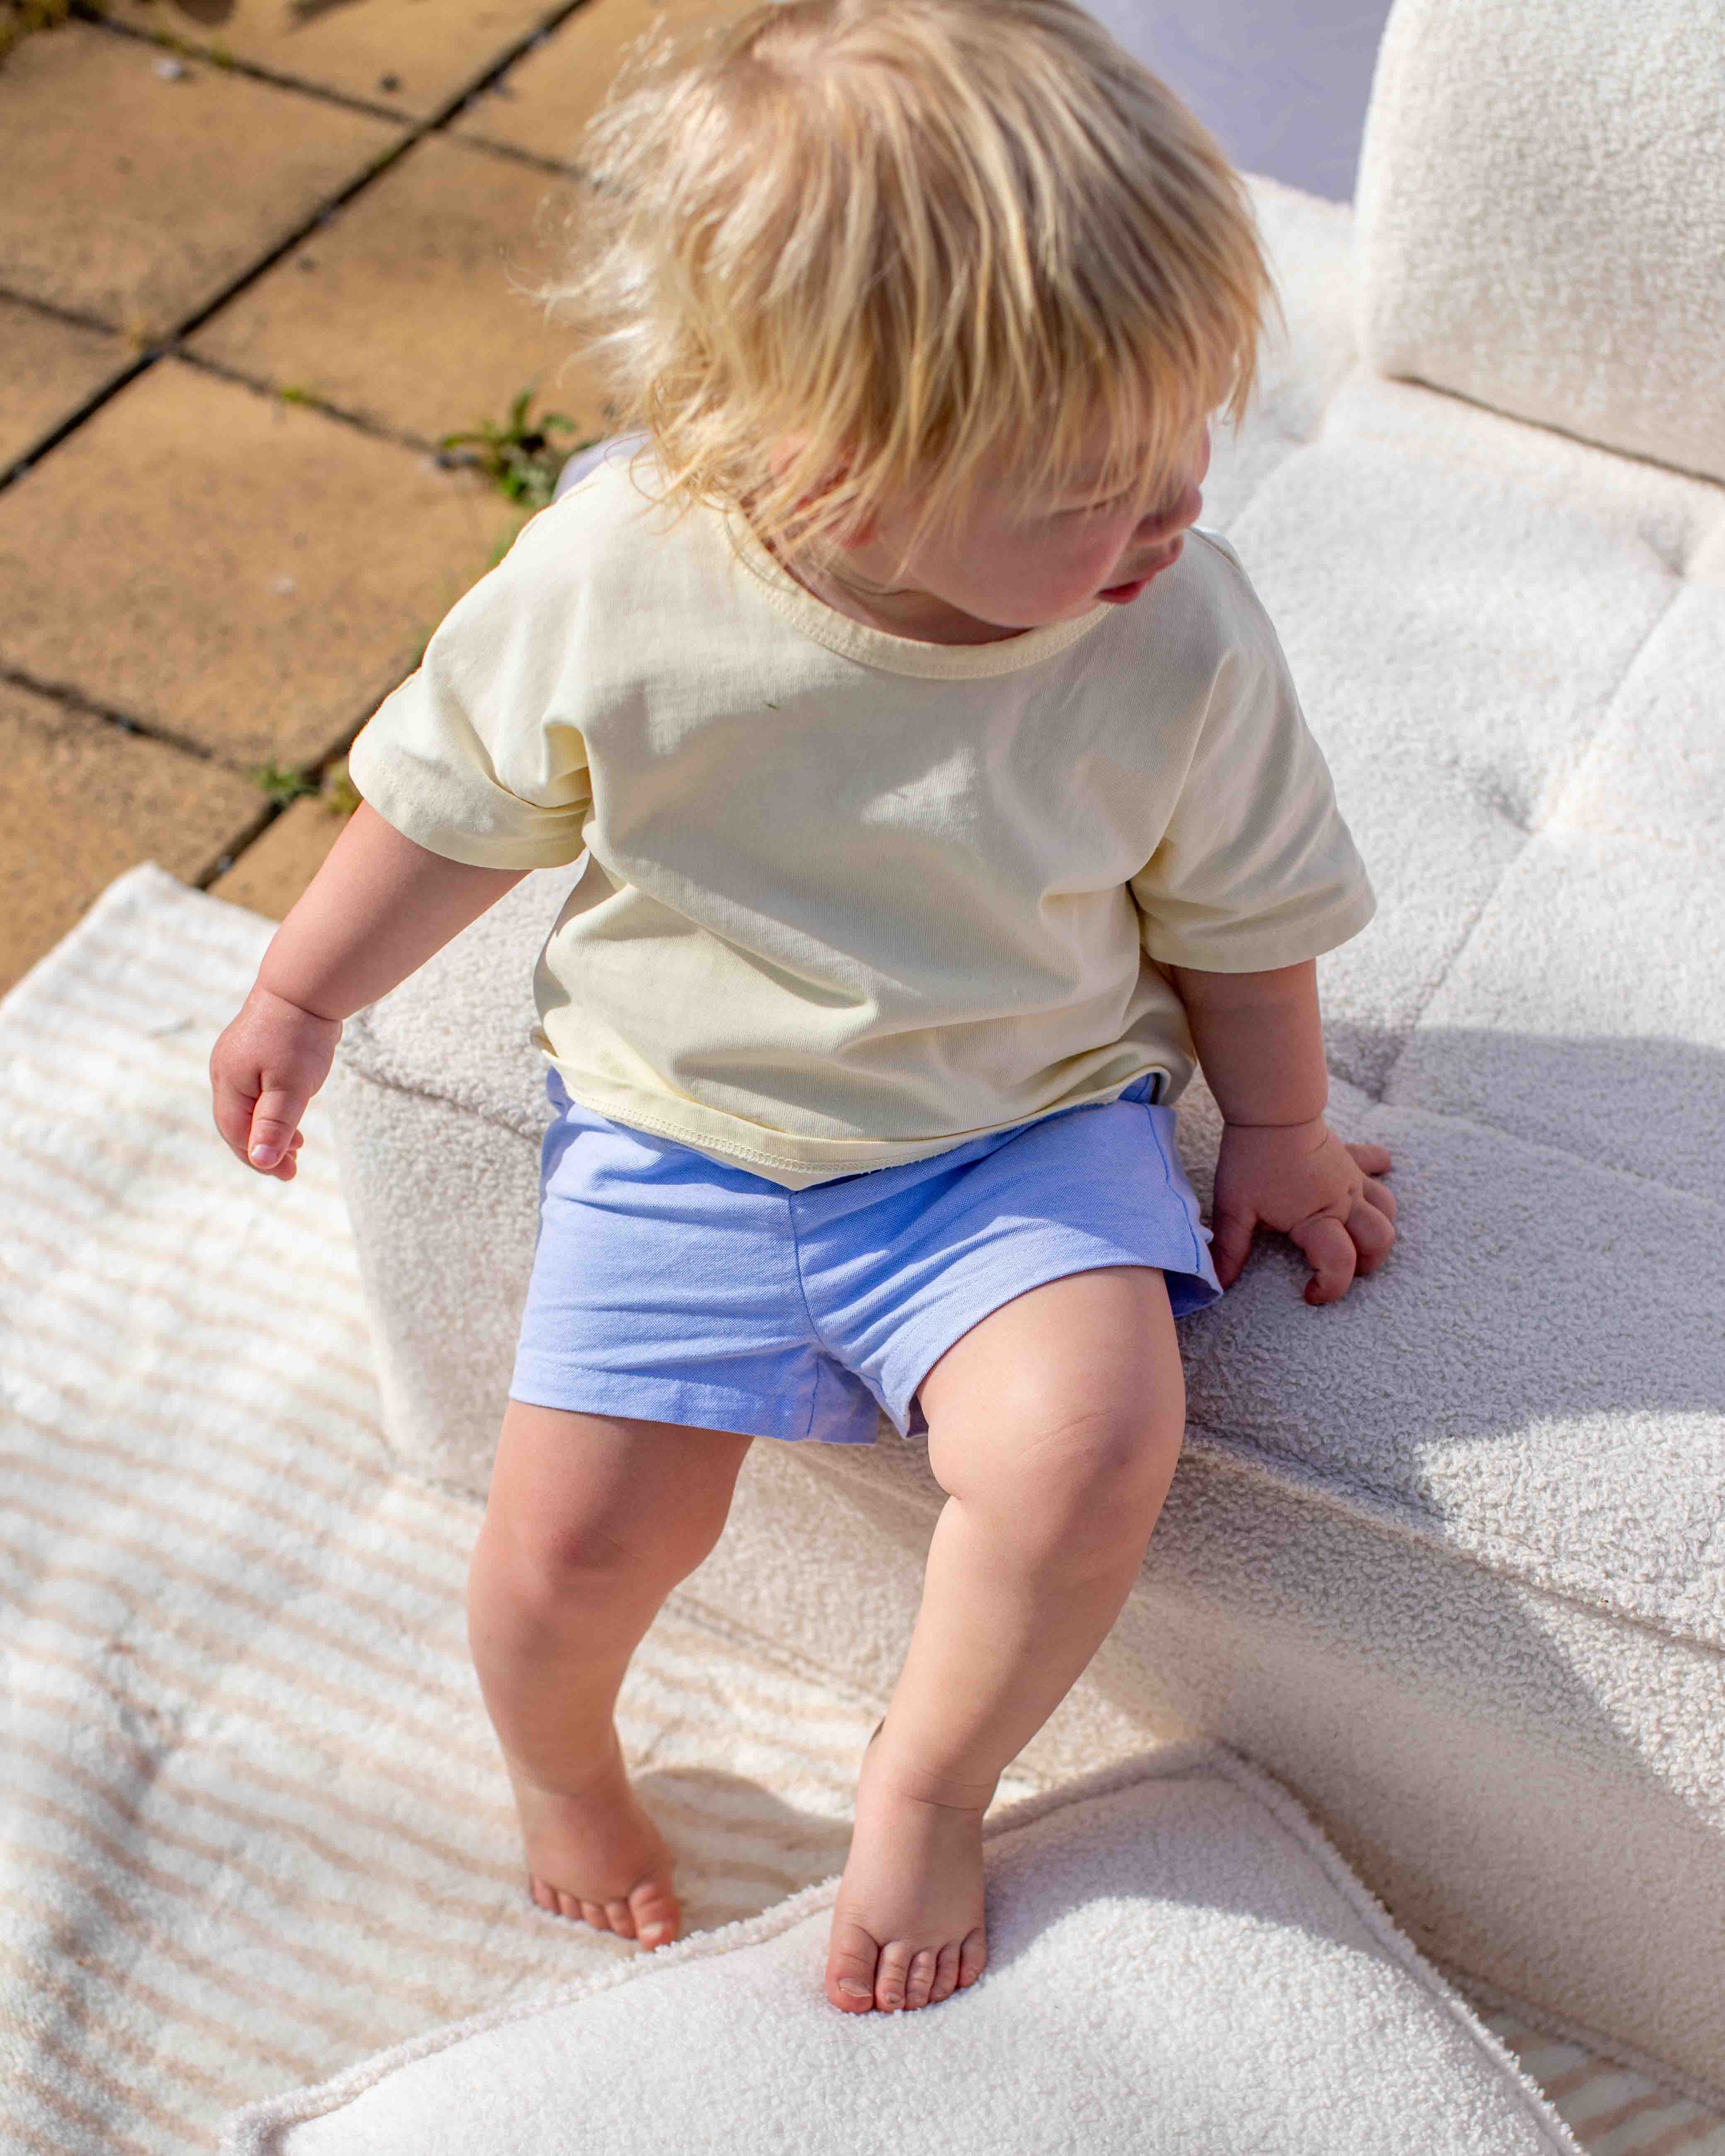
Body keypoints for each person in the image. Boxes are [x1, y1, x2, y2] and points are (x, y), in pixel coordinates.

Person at [209, 0, 1397, 2019]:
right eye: (1089, 483)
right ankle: (560, 1765)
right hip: (680, 1124)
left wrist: (1273, 1126)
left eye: (1183, 435)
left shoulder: (1167, 632)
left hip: (1013, 1136)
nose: (1170, 511)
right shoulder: (620, 574)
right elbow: (457, 800)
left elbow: (1238, 906)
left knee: (1093, 1440)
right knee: (564, 1553)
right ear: (835, 468)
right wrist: (301, 987)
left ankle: (927, 1782)